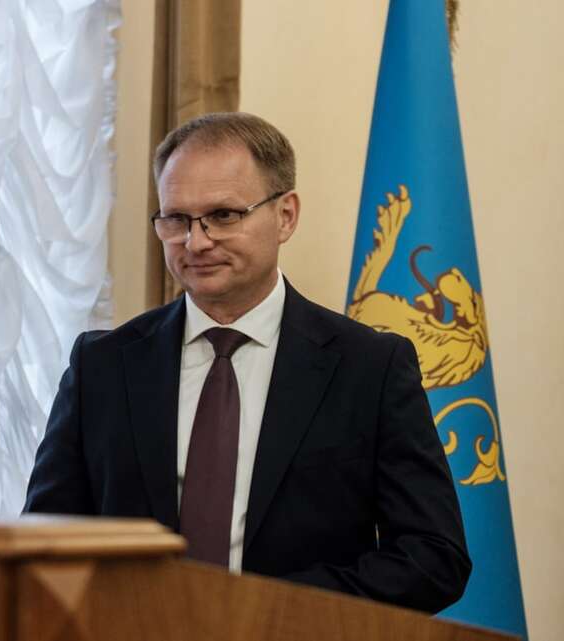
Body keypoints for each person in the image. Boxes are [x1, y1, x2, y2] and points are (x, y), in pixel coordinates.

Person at [24, 112, 471, 614]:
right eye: (176, 219)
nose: (196, 242)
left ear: (286, 216)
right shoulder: (102, 368)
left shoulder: (370, 369)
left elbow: (434, 557)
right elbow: (44, 544)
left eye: (223, 215)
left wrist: (269, 610)